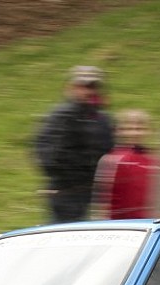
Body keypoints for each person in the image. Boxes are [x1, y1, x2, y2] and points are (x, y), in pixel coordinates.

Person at [35, 65, 114, 223]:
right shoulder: (61, 116)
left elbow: (110, 151)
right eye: (84, 86)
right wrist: (70, 181)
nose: (89, 91)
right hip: (67, 195)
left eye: (93, 86)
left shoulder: (103, 119)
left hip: (96, 195)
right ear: (72, 87)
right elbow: (48, 154)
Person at [93, 109, 160, 219]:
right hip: (119, 224)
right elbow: (102, 204)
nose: (134, 133)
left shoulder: (153, 160)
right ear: (118, 131)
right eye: (129, 129)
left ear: (148, 131)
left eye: (139, 129)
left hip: (147, 223)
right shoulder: (111, 160)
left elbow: (157, 198)